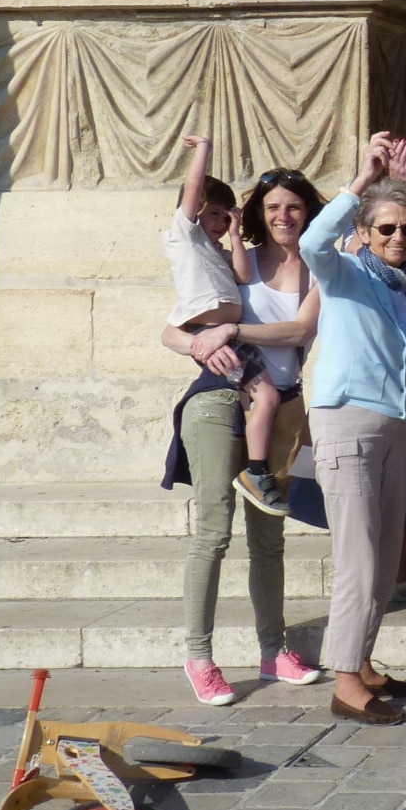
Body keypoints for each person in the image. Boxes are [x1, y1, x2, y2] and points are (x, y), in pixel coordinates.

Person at [164, 166, 325, 707]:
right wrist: (198, 345)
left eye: (294, 207)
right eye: (274, 207)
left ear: (308, 213)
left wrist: (232, 329)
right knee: (213, 531)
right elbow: (172, 327)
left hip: (280, 409)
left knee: (269, 539)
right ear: (259, 212)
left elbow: (301, 331)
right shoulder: (236, 260)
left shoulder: (321, 269)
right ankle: (199, 656)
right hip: (216, 403)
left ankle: (273, 650)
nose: (284, 216)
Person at [302, 137, 406, 725]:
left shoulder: (403, 287)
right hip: (347, 420)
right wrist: (361, 179)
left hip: (394, 426)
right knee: (357, 555)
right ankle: (345, 680)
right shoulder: (344, 271)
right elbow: (310, 241)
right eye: (385, 229)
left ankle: (364, 660)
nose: (397, 237)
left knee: (382, 556)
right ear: (365, 230)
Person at [164, 137, 287, 520]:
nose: (220, 222)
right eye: (215, 214)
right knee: (267, 397)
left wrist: (235, 234)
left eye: (225, 215)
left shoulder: (215, 251)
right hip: (208, 329)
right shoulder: (185, 237)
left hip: (225, 332)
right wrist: (203, 148)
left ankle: (256, 467)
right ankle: (257, 472)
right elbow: (193, 187)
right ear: (196, 210)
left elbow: (243, 274)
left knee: (261, 398)